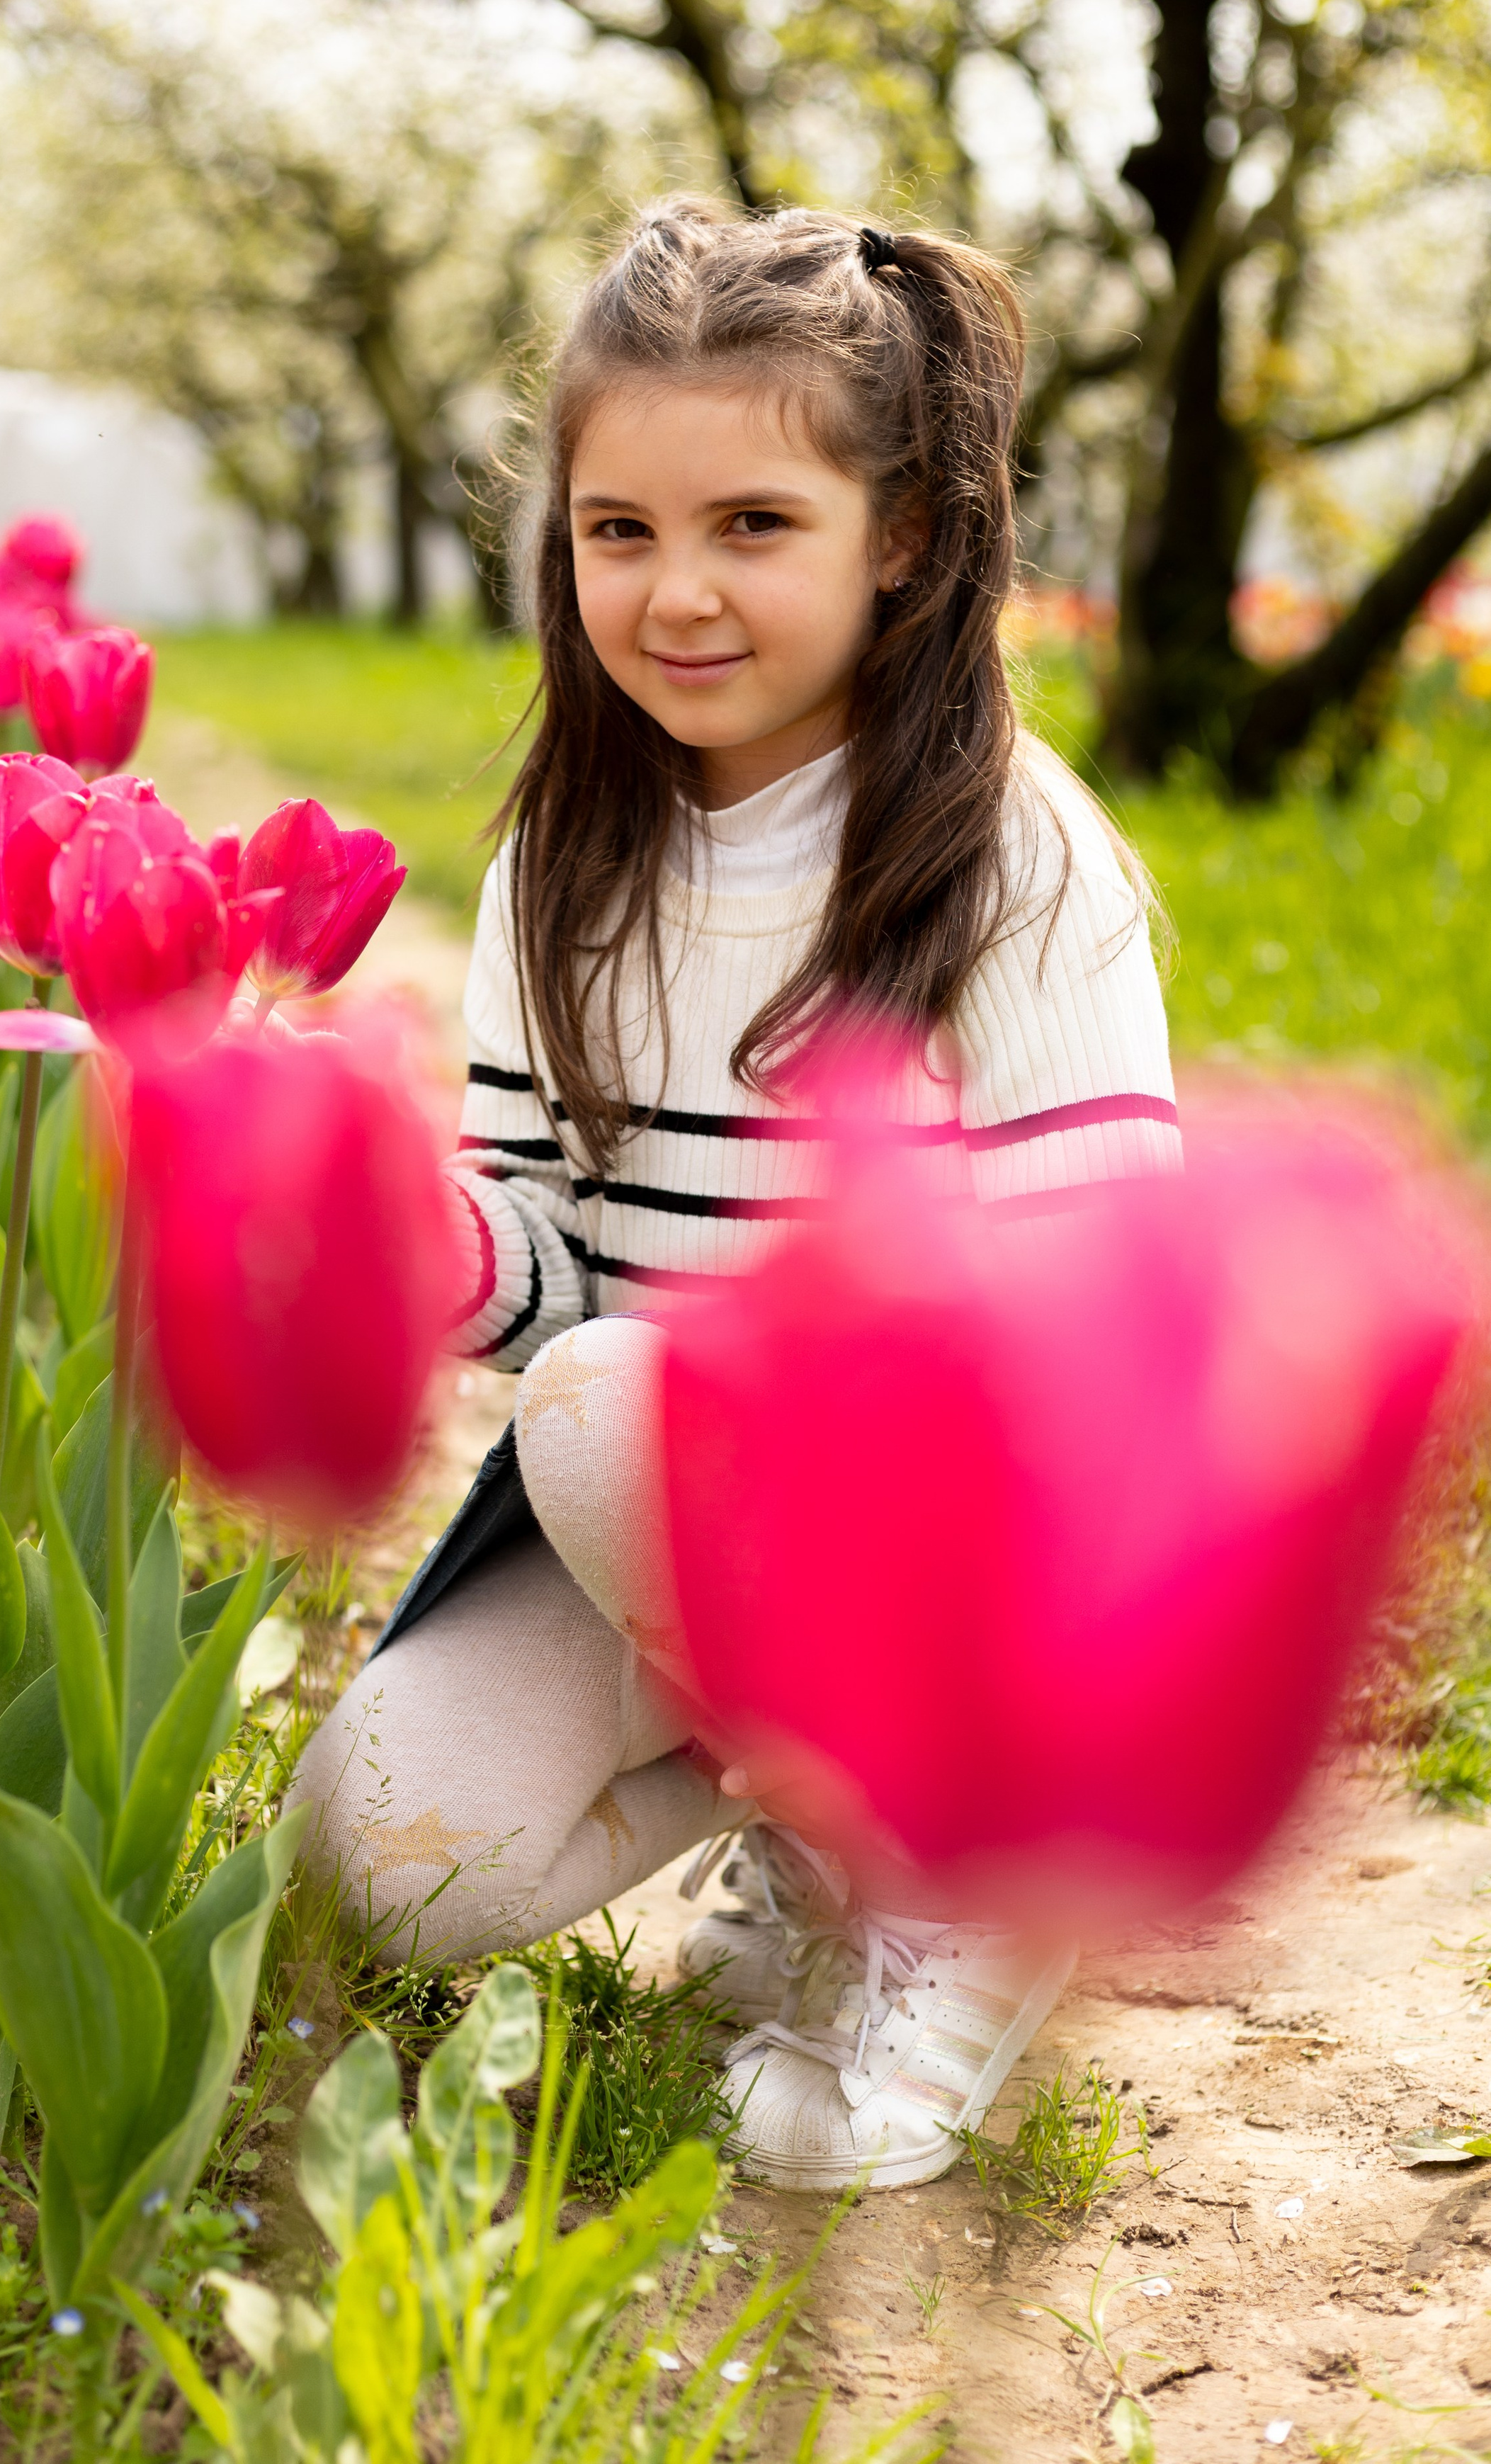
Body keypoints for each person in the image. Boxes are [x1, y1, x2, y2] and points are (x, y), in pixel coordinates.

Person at [291, 197, 1179, 2191]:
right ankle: (800, 1817)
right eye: (622, 532)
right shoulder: (566, 861)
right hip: (665, 1535)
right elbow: (537, 1247)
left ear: (913, 538)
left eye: (753, 526)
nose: (676, 593)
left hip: (946, 1549)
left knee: (612, 1401)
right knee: (392, 1850)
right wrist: (404, 1235)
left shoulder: (1006, 868)